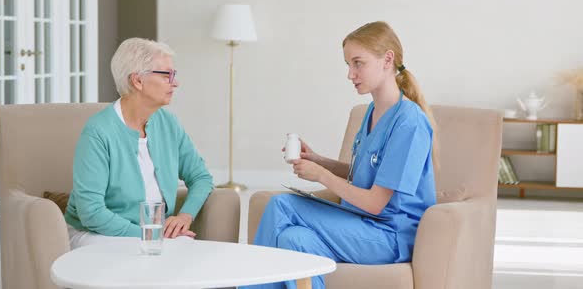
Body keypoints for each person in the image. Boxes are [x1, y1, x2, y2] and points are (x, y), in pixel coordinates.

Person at [243, 21, 437, 289]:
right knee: (294, 239)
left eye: (358, 63)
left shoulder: (409, 122)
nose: (350, 74)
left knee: (281, 206)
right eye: (348, 64)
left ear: (387, 60)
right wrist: (319, 160)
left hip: (388, 236)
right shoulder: (371, 113)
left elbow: (375, 203)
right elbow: (364, 174)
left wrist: (321, 176)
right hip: (359, 224)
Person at [64, 38, 214, 249]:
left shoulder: (168, 123)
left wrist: (184, 217)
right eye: (167, 75)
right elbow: (91, 212)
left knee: (186, 257)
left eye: (174, 75)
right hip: (94, 233)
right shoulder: (98, 132)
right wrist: (151, 235)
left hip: (154, 233)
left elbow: (201, 177)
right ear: (137, 81)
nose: (175, 82)